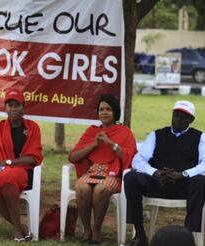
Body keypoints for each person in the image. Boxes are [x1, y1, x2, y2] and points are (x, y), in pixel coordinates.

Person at [124, 100, 205, 246]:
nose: (178, 119)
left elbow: (204, 164)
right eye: (176, 115)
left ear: (191, 120)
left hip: (184, 186)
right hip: (158, 183)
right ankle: (140, 236)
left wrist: (183, 174)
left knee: (201, 181)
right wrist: (155, 173)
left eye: (184, 117)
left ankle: (186, 238)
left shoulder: (200, 137)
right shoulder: (157, 135)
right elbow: (138, 160)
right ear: (172, 115)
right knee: (131, 177)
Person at [68, 94, 137, 244]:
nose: (104, 112)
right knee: (82, 188)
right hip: (91, 172)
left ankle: (97, 230)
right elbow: (73, 157)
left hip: (112, 174)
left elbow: (130, 157)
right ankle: (87, 229)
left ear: (115, 112)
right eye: (101, 109)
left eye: (108, 109)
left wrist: (111, 143)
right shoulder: (91, 131)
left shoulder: (124, 132)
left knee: (101, 190)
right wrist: (93, 144)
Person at [0, 89, 43, 242]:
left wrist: (6, 162)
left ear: (23, 107)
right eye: (10, 105)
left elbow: (32, 158)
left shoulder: (32, 128)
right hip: (0, 172)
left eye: (17, 105)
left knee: (8, 180)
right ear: (5, 108)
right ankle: (19, 227)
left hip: (23, 172)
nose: (13, 109)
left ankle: (16, 229)